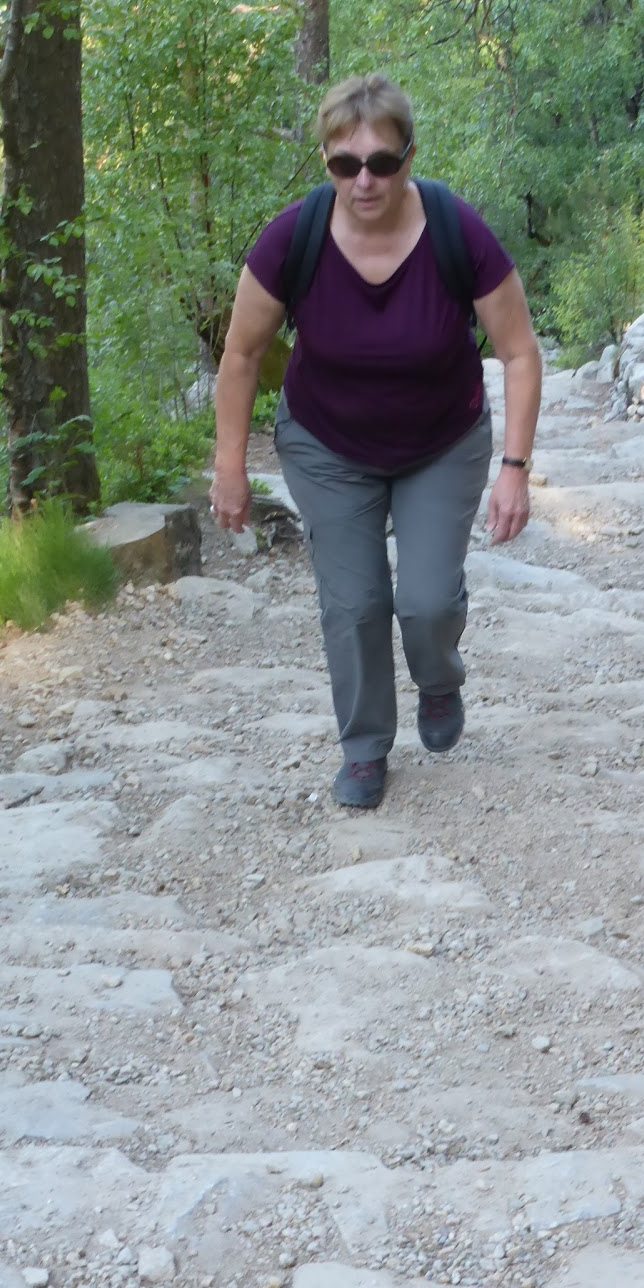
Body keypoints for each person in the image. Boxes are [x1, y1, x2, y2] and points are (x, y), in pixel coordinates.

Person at [209, 73, 541, 809]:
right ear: (325, 162)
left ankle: (439, 677)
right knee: (354, 604)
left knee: (425, 602)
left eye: (382, 163)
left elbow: (519, 351)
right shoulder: (292, 238)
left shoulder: (456, 229)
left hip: (441, 441)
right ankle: (364, 748)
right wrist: (229, 465)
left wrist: (514, 468)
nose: (364, 180)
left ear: (409, 157)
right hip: (327, 445)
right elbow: (240, 353)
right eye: (346, 164)